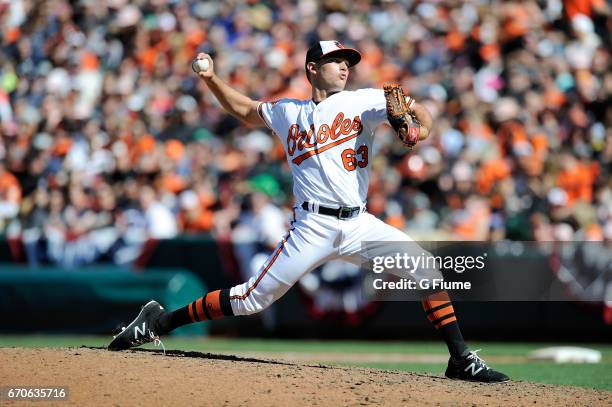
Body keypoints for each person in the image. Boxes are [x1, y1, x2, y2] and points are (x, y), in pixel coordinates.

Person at [108, 41, 509, 383]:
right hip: (312, 225)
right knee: (251, 300)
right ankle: (158, 322)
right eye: (338, 62)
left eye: (349, 63)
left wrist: (417, 127)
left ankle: (460, 359)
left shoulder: (364, 101)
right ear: (312, 68)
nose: (345, 68)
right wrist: (211, 79)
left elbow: (421, 117)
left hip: (358, 223)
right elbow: (245, 110)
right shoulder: (288, 111)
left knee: (426, 271)